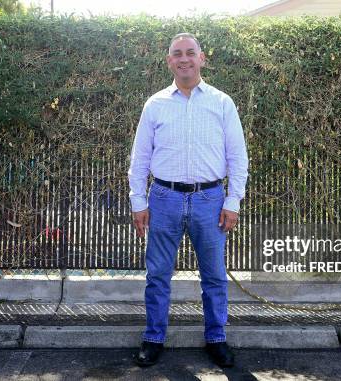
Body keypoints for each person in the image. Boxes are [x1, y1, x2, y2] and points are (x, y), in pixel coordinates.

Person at [128, 32, 249, 368]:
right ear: (169, 61)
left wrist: (233, 200)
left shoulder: (222, 103)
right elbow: (140, 158)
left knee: (214, 275)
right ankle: (153, 338)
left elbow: (237, 157)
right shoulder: (155, 104)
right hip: (163, 198)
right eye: (177, 53)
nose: (184, 59)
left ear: (202, 58)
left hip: (210, 199)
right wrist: (139, 202)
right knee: (158, 275)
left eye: (190, 53)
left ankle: (216, 337)